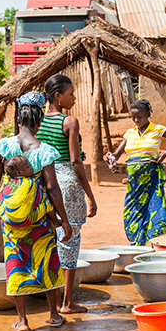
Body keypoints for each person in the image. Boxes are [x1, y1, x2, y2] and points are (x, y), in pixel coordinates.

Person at [0, 91, 73, 331]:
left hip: (11, 220)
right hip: (39, 219)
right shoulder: (44, 150)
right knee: (47, 261)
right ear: (39, 118)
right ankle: (54, 315)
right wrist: (64, 220)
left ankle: (22, 321)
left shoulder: (3, 146)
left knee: (15, 263)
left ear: (19, 118)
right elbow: (52, 188)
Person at [36, 74, 97, 314]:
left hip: (45, 181)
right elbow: (75, 162)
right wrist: (90, 195)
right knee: (70, 241)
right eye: (71, 94)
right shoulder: (69, 122)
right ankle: (67, 303)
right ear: (58, 96)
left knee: (50, 236)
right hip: (67, 184)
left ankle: (49, 297)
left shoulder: (38, 121)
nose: (74, 98)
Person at [110, 99, 166, 246]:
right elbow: (116, 155)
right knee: (132, 210)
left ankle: (152, 242)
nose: (136, 120)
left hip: (152, 180)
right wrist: (110, 157)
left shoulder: (158, 130)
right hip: (134, 183)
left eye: (140, 117)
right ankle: (137, 243)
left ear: (147, 114)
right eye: (133, 117)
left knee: (153, 207)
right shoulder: (129, 134)